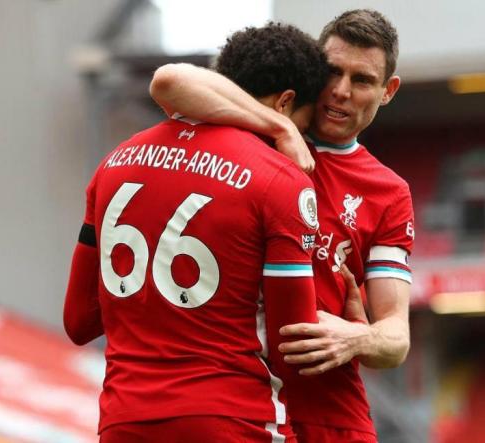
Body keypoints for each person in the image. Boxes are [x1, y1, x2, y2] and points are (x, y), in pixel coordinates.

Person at [149, 9, 414, 443]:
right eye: (333, 71)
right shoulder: (254, 135)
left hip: (331, 413)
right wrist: (280, 129)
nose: (341, 90)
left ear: (388, 91)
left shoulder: (389, 193)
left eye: (362, 80)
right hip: (241, 404)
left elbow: (395, 336)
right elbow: (169, 81)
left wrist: (356, 338)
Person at [63, 23, 331, 443]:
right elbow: (290, 346)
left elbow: (78, 322)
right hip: (232, 419)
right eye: (305, 125)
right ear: (285, 103)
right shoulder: (279, 180)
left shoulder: (113, 163)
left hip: (124, 421)